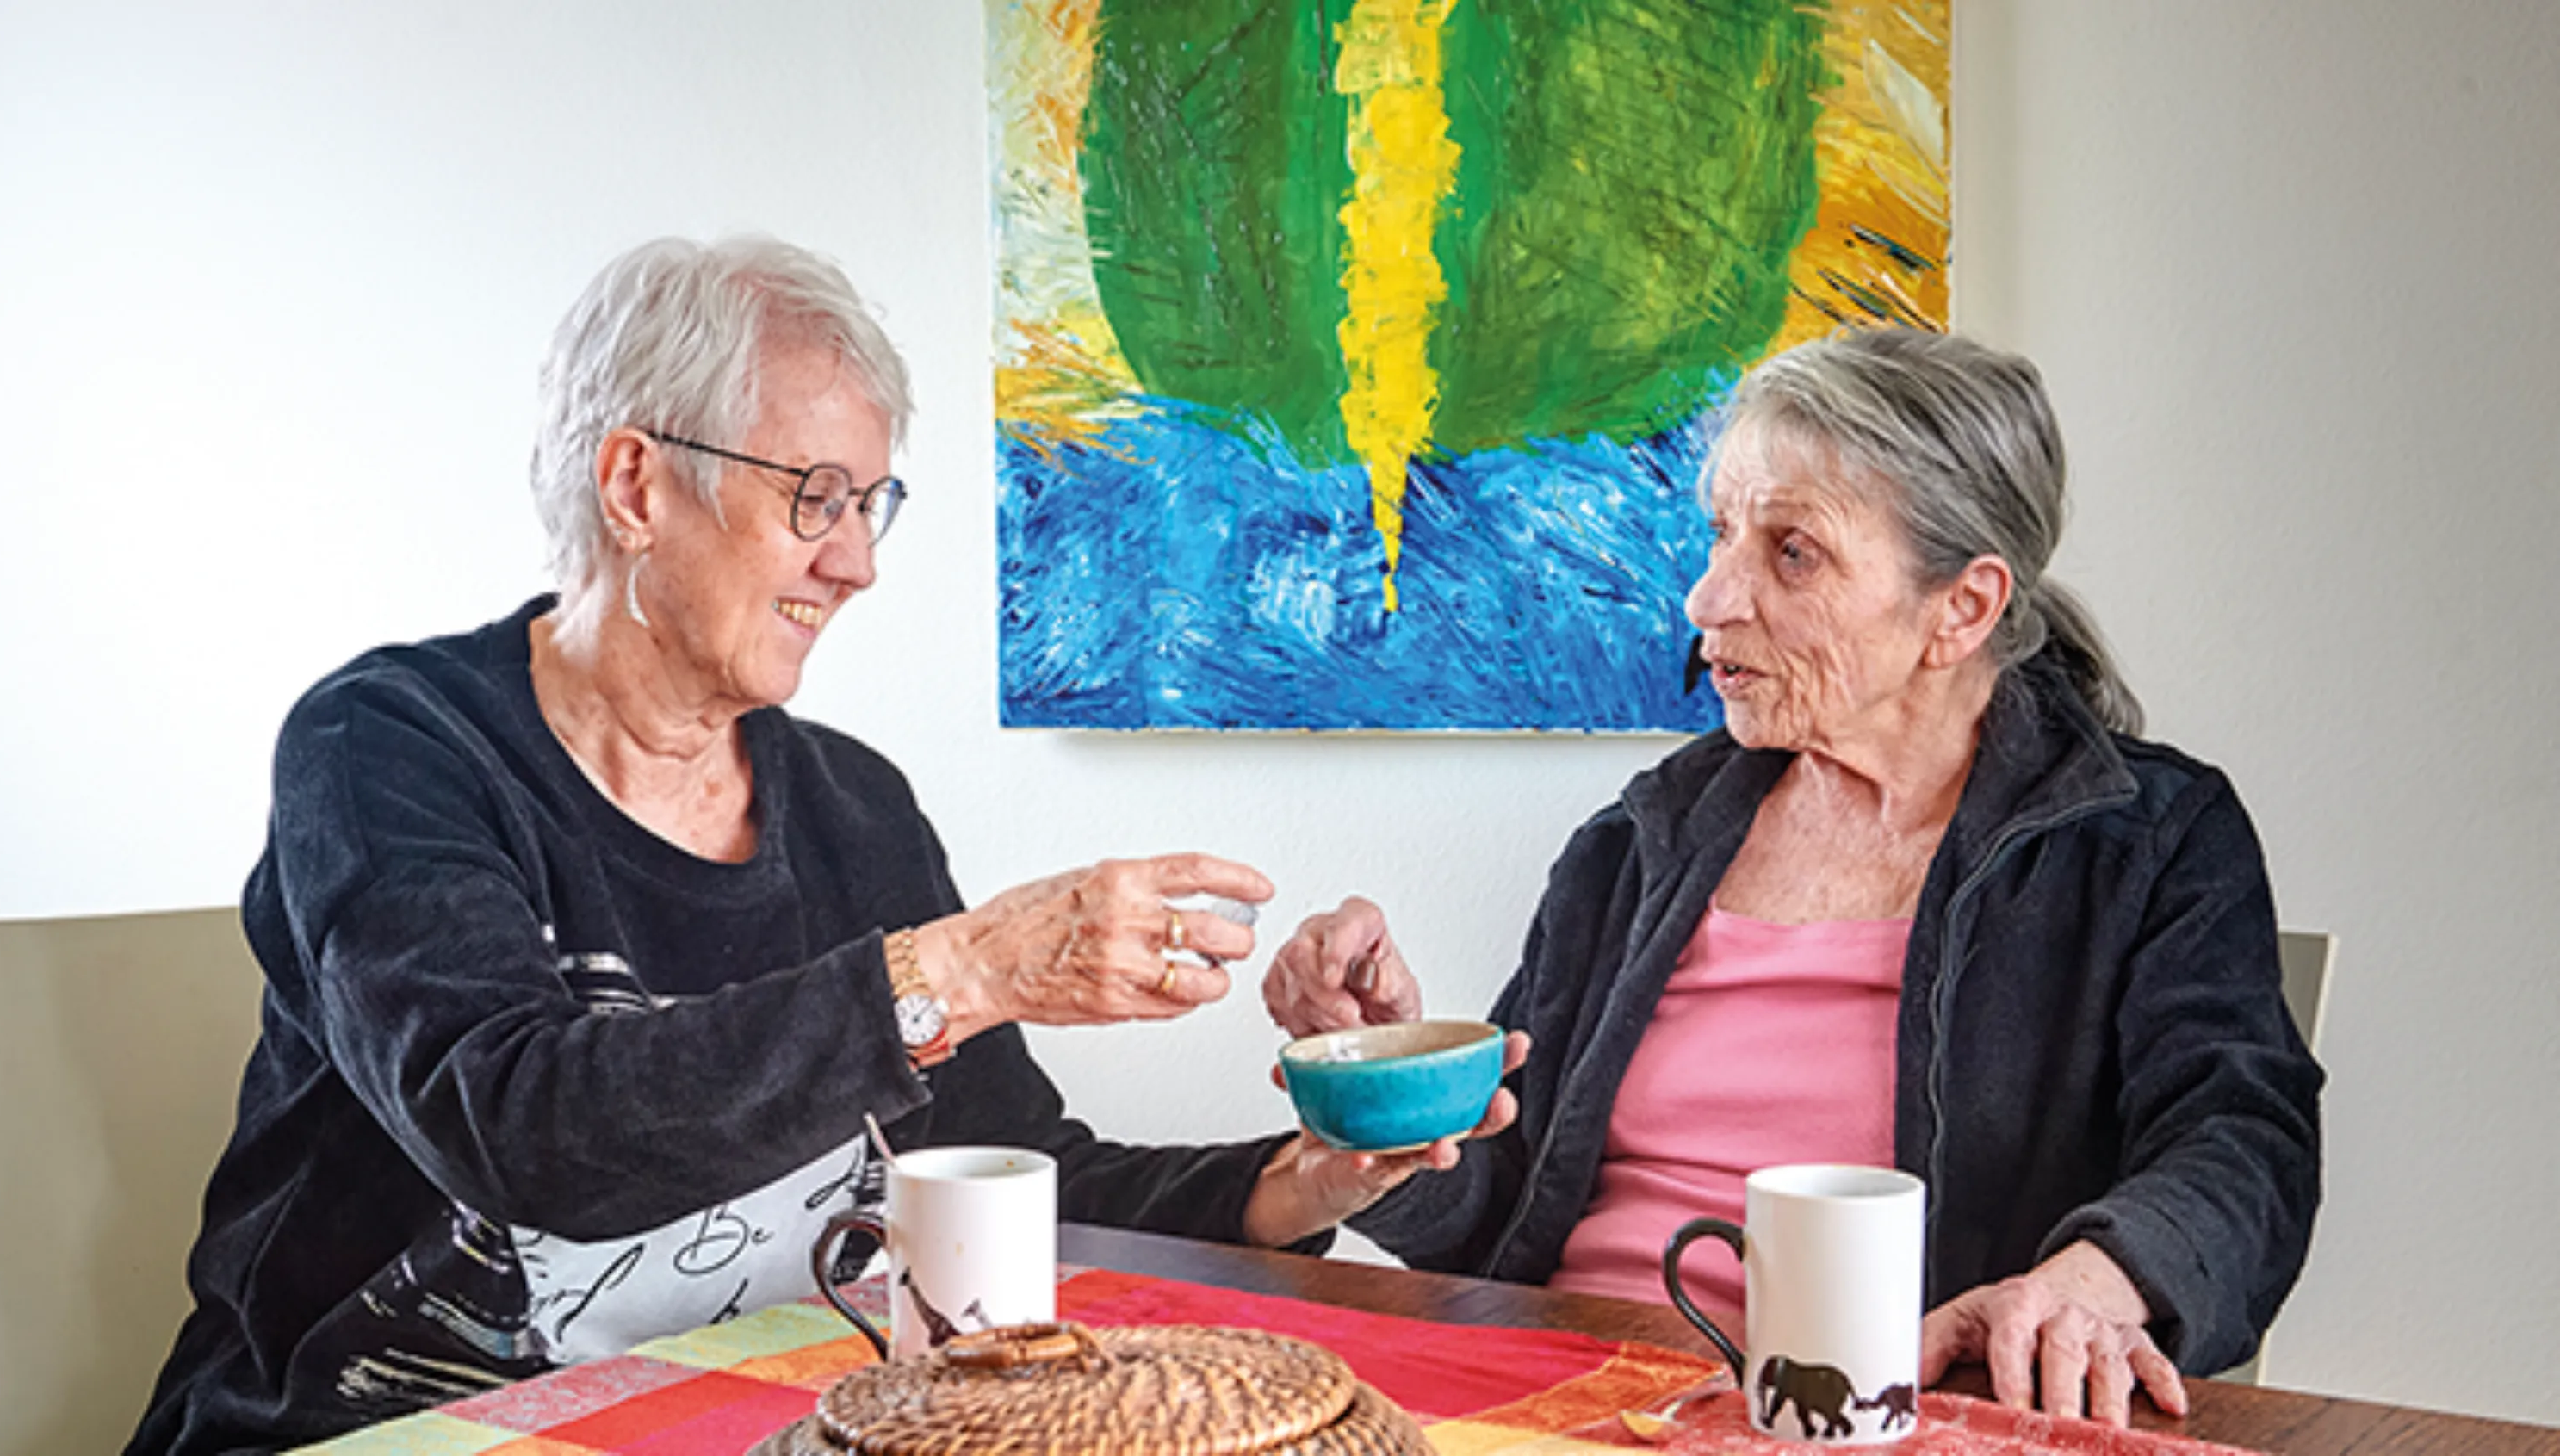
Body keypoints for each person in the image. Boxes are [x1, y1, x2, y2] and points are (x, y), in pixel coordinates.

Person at [127, 236, 1510, 1455]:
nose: (857, 562)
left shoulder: (854, 804)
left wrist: (1300, 1180)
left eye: (872, 505)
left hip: (760, 1421)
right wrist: (959, 970)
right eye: (817, 495)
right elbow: (518, 1125)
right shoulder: (391, 747)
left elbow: (1014, 1178)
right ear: (635, 484)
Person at [1261, 328, 2324, 1428]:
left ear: (1961, 607)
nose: (1707, 599)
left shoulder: (2146, 838)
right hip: (1571, 1395)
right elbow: (1494, 1215)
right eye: (1722, 535)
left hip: (1868, 1415)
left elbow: (2246, 1138)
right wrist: (1405, 1086)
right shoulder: (1641, 840)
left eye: (1792, 552)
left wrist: (2095, 1283)